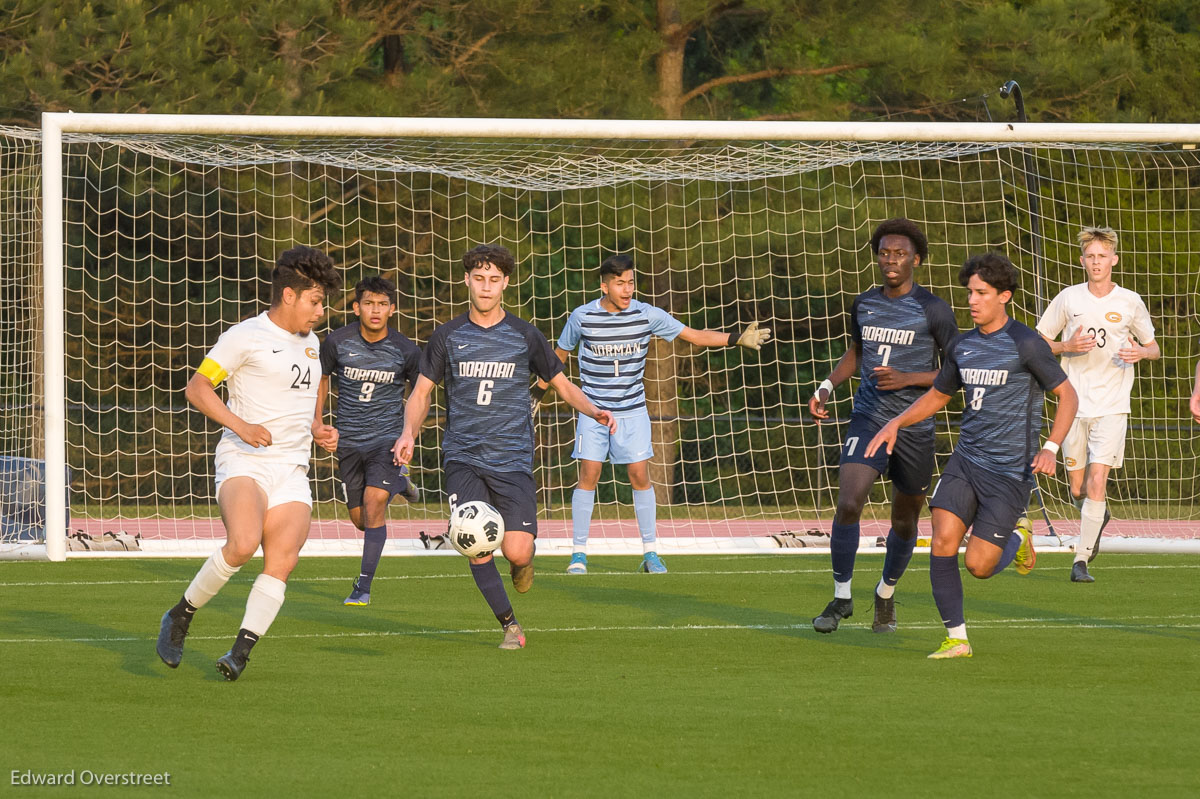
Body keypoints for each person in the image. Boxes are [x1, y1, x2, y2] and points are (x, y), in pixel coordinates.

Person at [393, 243, 616, 650]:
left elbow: (561, 382)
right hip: (464, 457)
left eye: (493, 280)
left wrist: (593, 409)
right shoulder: (447, 336)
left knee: (516, 551)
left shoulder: (524, 334)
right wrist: (408, 432)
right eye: (478, 279)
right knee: (474, 543)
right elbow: (422, 392)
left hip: (513, 459)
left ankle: (523, 562)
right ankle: (510, 626)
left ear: (505, 284)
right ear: (467, 281)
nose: (485, 287)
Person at [867, 252, 1078, 659]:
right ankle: (956, 638)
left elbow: (1068, 396)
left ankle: (1018, 536)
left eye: (981, 293)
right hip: (966, 461)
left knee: (979, 566)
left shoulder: (1027, 344)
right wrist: (896, 423)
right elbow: (937, 396)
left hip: (1008, 472)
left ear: (1005, 296)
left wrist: (1050, 448)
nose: (972, 300)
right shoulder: (962, 347)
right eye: (969, 292)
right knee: (943, 540)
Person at [156, 246, 342, 680]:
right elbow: (198, 389)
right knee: (242, 544)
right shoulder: (245, 335)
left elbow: (307, 393)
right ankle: (180, 616)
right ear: (290, 295)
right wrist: (241, 426)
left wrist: (317, 426)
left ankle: (240, 652)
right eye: (316, 302)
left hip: (291, 470)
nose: (320, 313)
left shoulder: (313, 345)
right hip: (246, 461)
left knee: (282, 560)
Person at [535, 253, 771, 575]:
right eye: (620, 284)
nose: (627, 289)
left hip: (633, 411)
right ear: (604, 286)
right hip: (593, 412)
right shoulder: (581, 317)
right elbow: (557, 359)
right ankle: (578, 555)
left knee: (640, 477)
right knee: (588, 476)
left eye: (631, 282)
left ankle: (650, 553)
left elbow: (694, 335)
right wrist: (536, 393)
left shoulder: (647, 315)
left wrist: (736, 338)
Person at [807, 219, 957, 633]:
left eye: (900, 254)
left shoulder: (934, 309)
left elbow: (958, 369)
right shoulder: (864, 303)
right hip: (869, 417)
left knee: (905, 521)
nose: (891, 260)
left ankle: (886, 595)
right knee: (850, 502)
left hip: (914, 425)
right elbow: (857, 351)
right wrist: (826, 385)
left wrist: (909, 379)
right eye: (885, 253)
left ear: (917, 260)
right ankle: (840, 599)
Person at [1035, 227, 1158, 583]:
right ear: (1082, 261)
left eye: (1103, 256)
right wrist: (1066, 347)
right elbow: (1040, 342)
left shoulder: (1130, 301)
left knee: (1098, 480)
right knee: (1078, 488)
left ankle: (1081, 559)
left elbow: (1153, 347)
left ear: (1114, 260)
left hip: (1113, 403)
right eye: (1090, 256)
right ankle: (1095, 516)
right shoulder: (1069, 299)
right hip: (1073, 403)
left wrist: (1140, 352)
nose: (1096, 262)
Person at [316, 276, 422, 606]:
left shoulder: (406, 350)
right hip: (349, 442)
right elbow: (320, 378)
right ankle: (400, 484)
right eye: (368, 303)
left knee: (375, 504)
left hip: (386, 442)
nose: (375, 310)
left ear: (392, 309)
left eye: (381, 304)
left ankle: (363, 586)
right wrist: (316, 422)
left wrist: (409, 434)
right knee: (362, 521)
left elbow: (421, 395)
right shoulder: (336, 342)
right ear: (356, 307)